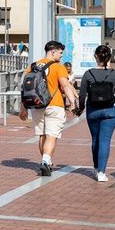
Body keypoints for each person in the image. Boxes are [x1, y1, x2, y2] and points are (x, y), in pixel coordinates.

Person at [18, 40, 77, 177]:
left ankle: (46, 161)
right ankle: (45, 160)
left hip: (37, 105)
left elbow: (25, 88)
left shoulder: (32, 66)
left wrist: (23, 107)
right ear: (53, 52)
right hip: (54, 105)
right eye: (60, 53)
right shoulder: (58, 67)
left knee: (42, 135)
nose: (62, 56)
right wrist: (72, 103)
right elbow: (65, 85)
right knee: (52, 135)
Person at [77, 45, 115, 182]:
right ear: (109, 57)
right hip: (110, 111)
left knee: (95, 139)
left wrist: (80, 109)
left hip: (93, 110)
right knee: (105, 140)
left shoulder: (88, 73)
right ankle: (102, 172)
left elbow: (82, 95)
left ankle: (96, 167)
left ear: (95, 56)